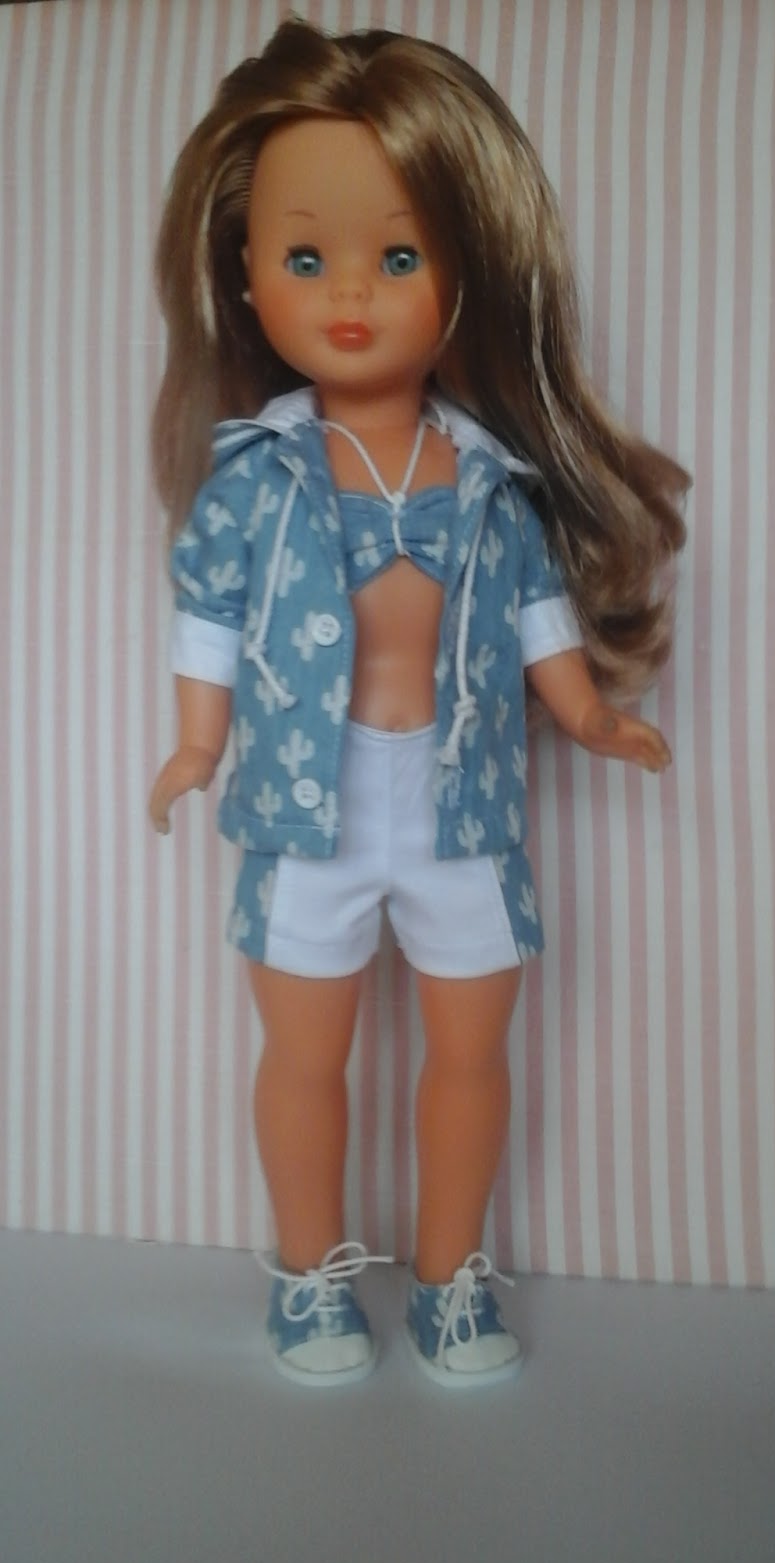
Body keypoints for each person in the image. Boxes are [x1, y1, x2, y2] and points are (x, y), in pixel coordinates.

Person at [148, 18, 690, 1389]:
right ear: (246, 276)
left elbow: (537, 621)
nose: (350, 293)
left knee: (469, 1054)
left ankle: (451, 1282)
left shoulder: (490, 480)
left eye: (399, 257)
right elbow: (207, 611)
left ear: (467, 274)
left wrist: (591, 718)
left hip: (463, 809)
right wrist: (197, 743)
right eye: (304, 258)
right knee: (304, 1057)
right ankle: (311, 1276)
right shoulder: (254, 476)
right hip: (304, 807)